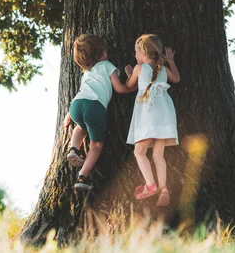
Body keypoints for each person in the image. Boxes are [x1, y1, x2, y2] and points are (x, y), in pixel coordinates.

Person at [63, 34, 133, 191]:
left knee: (80, 127)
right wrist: (131, 80)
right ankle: (82, 176)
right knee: (96, 144)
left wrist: (68, 115)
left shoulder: (86, 72)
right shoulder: (107, 65)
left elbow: (83, 93)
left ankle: (74, 148)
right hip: (94, 108)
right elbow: (121, 88)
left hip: (76, 105)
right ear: (102, 53)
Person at [124, 34, 180, 206]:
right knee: (158, 155)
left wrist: (129, 74)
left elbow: (128, 86)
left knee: (139, 152)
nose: (135, 55)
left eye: (136, 51)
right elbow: (176, 79)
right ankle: (164, 188)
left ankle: (150, 185)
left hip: (148, 116)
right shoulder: (163, 69)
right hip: (164, 115)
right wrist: (171, 60)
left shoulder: (139, 69)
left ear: (144, 52)